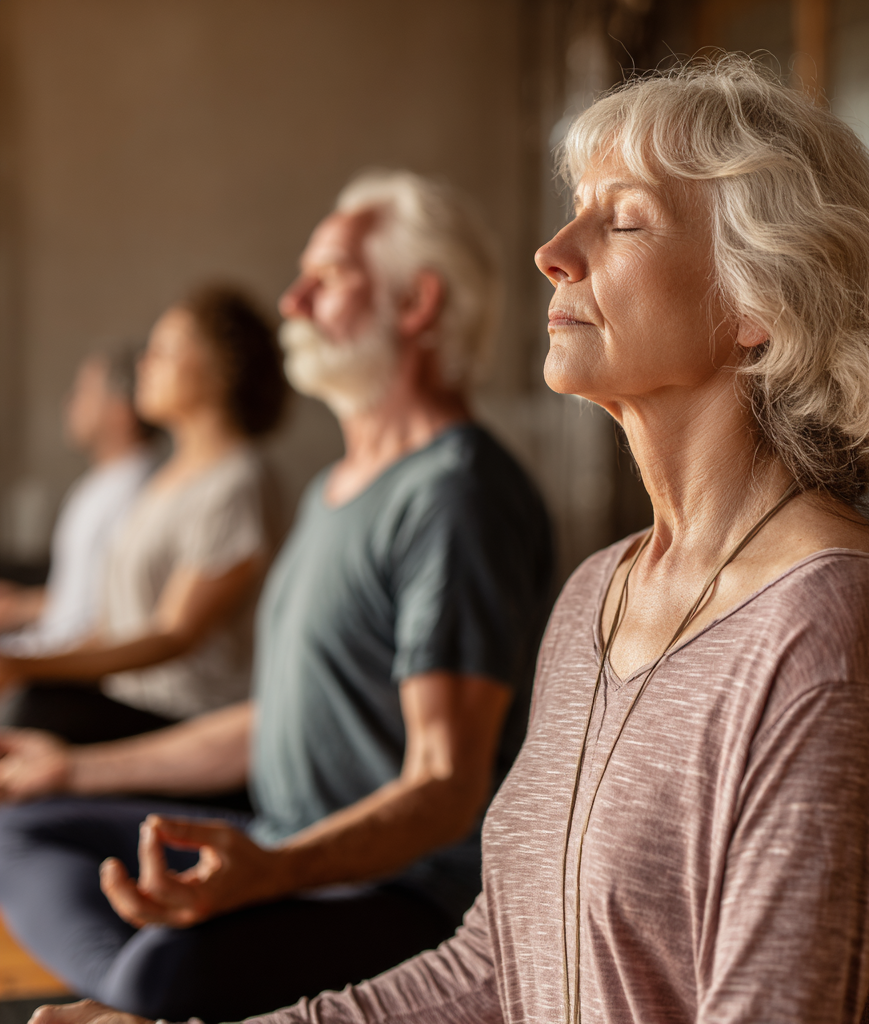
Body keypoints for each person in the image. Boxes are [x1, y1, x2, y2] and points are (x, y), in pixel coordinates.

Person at [29, 58, 869, 1024]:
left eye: (626, 219)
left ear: (762, 303)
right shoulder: (598, 592)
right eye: (573, 211)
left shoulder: (826, 621)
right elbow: (497, 968)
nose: (553, 251)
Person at [0, 170, 553, 1022]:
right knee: (27, 829)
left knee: (160, 975)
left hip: (401, 894)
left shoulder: (455, 493)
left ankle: (142, 1002)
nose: (291, 300)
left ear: (416, 305)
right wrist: (71, 770)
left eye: (326, 278)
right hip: (281, 840)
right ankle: (141, 1002)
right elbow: (277, 718)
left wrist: (277, 873)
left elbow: (446, 785)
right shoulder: (334, 487)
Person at [0, 285, 287, 742]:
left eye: (163, 352)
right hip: (133, 702)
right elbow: (112, 629)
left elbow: (176, 634)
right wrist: (26, 662)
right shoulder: (167, 479)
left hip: (193, 725)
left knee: (34, 709)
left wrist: (26, 666)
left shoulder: (239, 481)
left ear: (219, 370)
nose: (144, 366)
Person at [0, 348, 156, 657]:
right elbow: (81, 598)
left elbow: (110, 616)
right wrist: (22, 605)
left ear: (121, 411)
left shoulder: (139, 490)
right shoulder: (100, 483)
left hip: (70, 667)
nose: (69, 403)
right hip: (49, 650)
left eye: (84, 392)